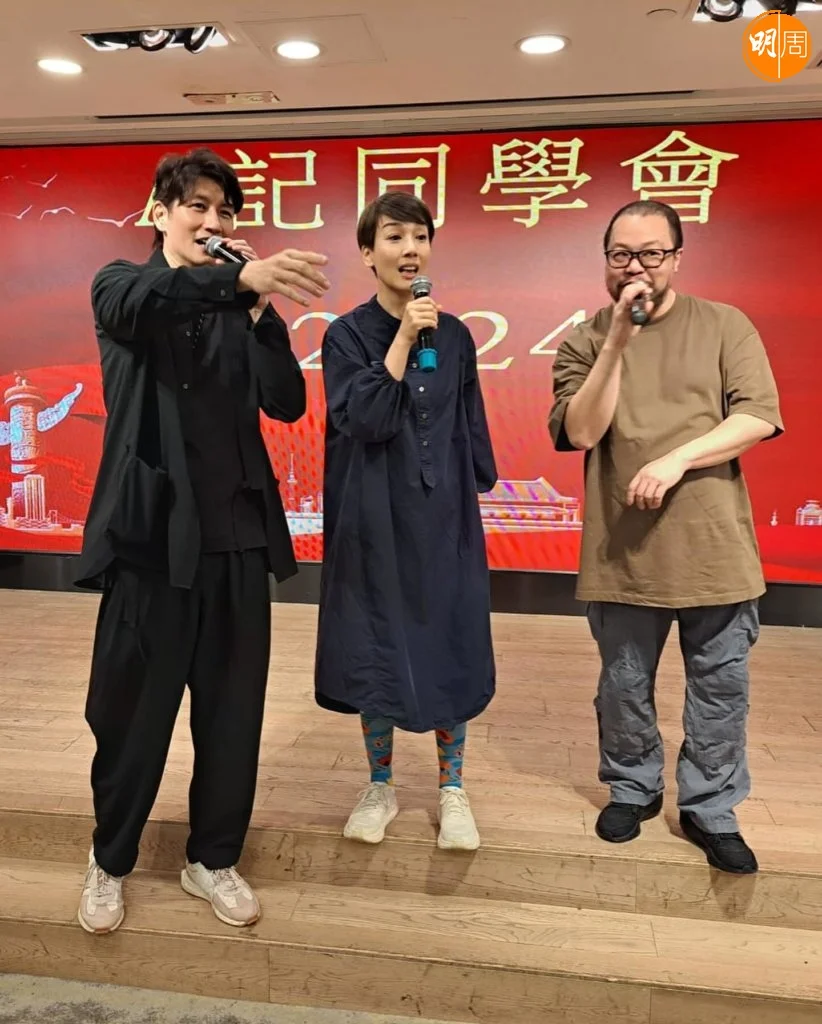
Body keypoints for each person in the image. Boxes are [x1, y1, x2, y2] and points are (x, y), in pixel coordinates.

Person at [73, 146, 330, 933]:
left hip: (238, 537)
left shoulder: (240, 304)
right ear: (160, 212)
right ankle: (110, 859)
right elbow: (152, 301)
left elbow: (286, 402)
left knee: (232, 715)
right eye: (198, 206)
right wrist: (235, 283)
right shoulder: (123, 284)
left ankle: (213, 858)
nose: (213, 221)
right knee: (132, 715)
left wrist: (258, 314)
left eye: (225, 210)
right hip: (151, 539)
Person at [548, 199, 783, 875]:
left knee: (720, 688)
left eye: (651, 253)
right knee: (623, 685)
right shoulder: (585, 340)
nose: (636, 268)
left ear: (677, 258)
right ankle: (633, 787)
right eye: (621, 254)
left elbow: (757, 416)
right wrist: (618, 341)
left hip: (715, 548)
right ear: (605, 262)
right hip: (622, 551)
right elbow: (581, 430)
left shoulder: (724, 325)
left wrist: (677, 459)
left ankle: (712, 807)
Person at [314, 192, 497, 851]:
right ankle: (380, 784)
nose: (409, 249)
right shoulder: (345, 335)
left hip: (444, 518)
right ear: (368, 253)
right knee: (377, 649)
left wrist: (473, 487)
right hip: (372, 521)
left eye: (419, 236)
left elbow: (468, 423)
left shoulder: (456, 336)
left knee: (450, 643)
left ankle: (453, 788)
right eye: (393, 237)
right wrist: (401, 337)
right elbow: (363, 418)